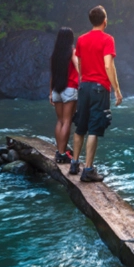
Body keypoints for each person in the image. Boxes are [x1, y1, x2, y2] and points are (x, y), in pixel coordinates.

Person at [69, 5, 122, 182]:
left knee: (80, 126)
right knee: (94, 128)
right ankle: (88, 170)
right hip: (100, 88)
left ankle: (75, 164)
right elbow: (108, 65)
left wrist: (83, 80)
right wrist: (117, 89)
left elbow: (80, 63)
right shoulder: (108, 39)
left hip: (84, 86)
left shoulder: (82, 39)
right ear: (105, 21)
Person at [49, 27, 80, 164]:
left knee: (60, 121)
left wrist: (50, 93)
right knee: (67, 121)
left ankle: (59, 151)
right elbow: (79, 69)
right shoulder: (72, 52)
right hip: (69, 89)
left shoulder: (55, 55)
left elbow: (52, 75)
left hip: (57, 90)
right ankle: (62, 154)